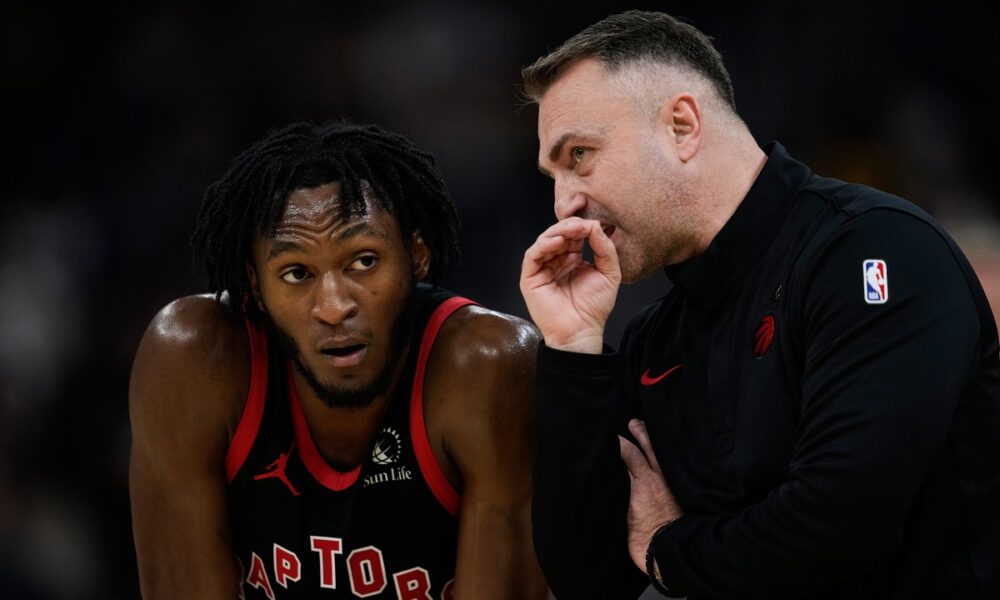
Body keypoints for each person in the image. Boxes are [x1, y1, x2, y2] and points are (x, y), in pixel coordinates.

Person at [519, 10, 999, 600]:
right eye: (552, 175)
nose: (564, 203)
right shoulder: (655, 340)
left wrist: (671, 551)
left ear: (682, 125)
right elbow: (589, 580)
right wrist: (572, 348)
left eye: (580, 155)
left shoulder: (877, 249)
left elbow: (837, 525)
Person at [129, 119, 548, 599]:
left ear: (416, 256)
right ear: (255, 287)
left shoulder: (486, 367)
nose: (333, 307)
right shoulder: (193, 361)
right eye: (295, 273)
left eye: (363, 261)